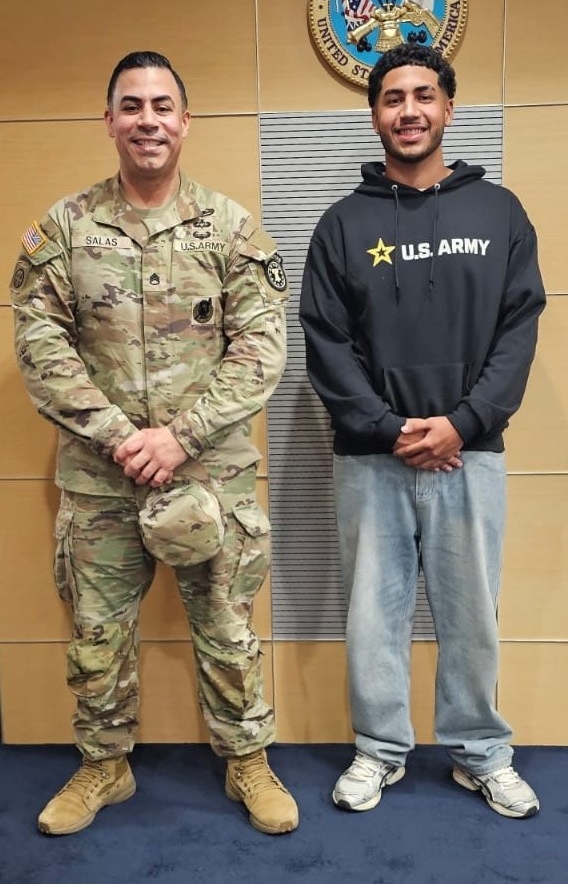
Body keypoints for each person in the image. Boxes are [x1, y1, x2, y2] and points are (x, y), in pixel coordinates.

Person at [11, 51, 298, 837]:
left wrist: (179, 437)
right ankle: (105, 764)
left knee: (229, 627)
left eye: (162, 105)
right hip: (102, 480)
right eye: (131, 106)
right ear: (108, 121)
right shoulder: (65, 230)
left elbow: (262, 348)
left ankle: (247, 757)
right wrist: (118, 436)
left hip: (210, 475)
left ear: (185, 120)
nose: (147, 120)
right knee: (98, 634)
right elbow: (40, 343)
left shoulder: (232, 228)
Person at [299, 43, 546, 820]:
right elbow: (324, 342)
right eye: (392, 98)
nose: (408, 110)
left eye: (423, 95)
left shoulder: (499, 212)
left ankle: (481, 753)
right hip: (372, 459)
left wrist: (463, 422)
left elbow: (519, 329)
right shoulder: (342, 225)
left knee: (472, 612)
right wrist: (390, 426)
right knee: (373, 613)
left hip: (470, 454)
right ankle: (378, 751)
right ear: (374, 113)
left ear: (447, 106)